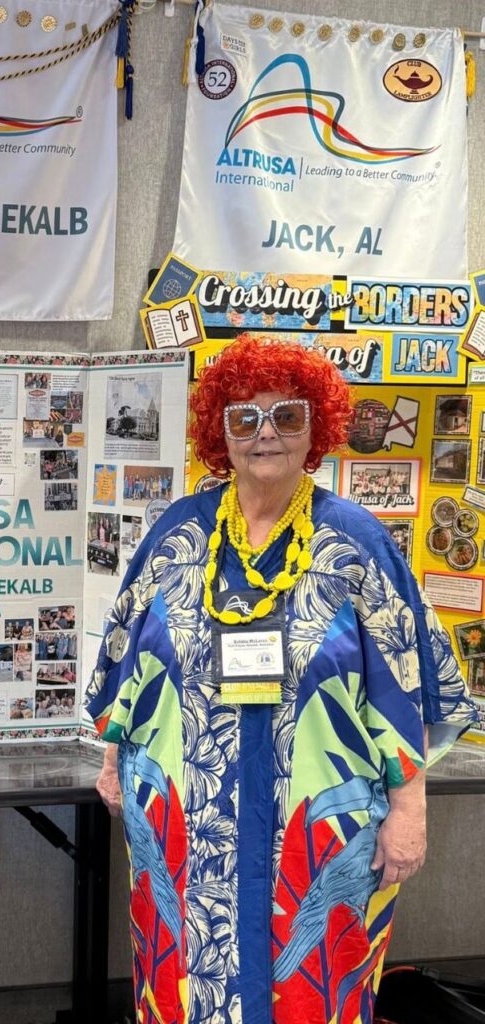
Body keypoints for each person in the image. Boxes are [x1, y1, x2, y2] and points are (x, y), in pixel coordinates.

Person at [87, 336, 478, 1024]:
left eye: (287, 416)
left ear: (315, 428)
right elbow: (130, 661)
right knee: (183, 988)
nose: (265, 434)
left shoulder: (357, 543)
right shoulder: (177, 536)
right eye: (245, 418)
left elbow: (409, 686)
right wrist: (113, 761)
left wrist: (410, 813)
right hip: (188, 833)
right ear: (221, 433)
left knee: (314, 989)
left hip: (320, 838)